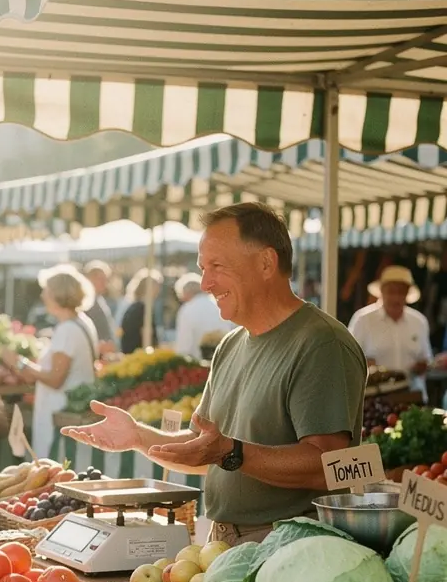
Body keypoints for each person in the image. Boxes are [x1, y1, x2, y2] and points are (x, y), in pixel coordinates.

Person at [63, 202, 367, 547]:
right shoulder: (231, 344)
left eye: (217, 266)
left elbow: (329, 465)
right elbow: (205, 450)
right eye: (202, 268)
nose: (205, 283)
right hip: (224, 542)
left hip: (291, 547)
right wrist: (137, 437)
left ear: (267, 262)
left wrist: (230, 453)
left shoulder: (320, 343)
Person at [1, 263, 98, 459]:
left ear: (58, 294)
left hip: (58, 415)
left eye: (47, 290)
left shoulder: (67, 330)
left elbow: (55, 379)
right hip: (65, 412)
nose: (43, 296)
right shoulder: (81, 322)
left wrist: (19, 363)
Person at [348, 265, 433, 397]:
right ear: (382, 291)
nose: (396, 297)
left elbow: (425, 359)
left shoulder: (419, 321)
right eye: (391, 291)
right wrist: (366, 365)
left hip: (411, 394)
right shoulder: (363, 320)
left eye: (401, 292)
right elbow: (348, 360)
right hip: (375, 396)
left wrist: (422, 366)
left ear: (408, 293)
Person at [172, 272, 234, 359]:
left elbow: (183, 346)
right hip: (224, 358)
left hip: (198, 363)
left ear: (186, 293)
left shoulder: (187, 309)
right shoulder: (219, 305)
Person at [118, 268, 164, 354]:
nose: (159, 290)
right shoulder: (143, 309)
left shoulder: (134, 307)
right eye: (157, 286)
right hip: (138, 356)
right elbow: (147, 335)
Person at [83, 260, 119, 353]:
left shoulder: (100, 299)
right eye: (101, 279)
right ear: (89, 279)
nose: (105, 283)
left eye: (106, 279)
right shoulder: (84, 303)